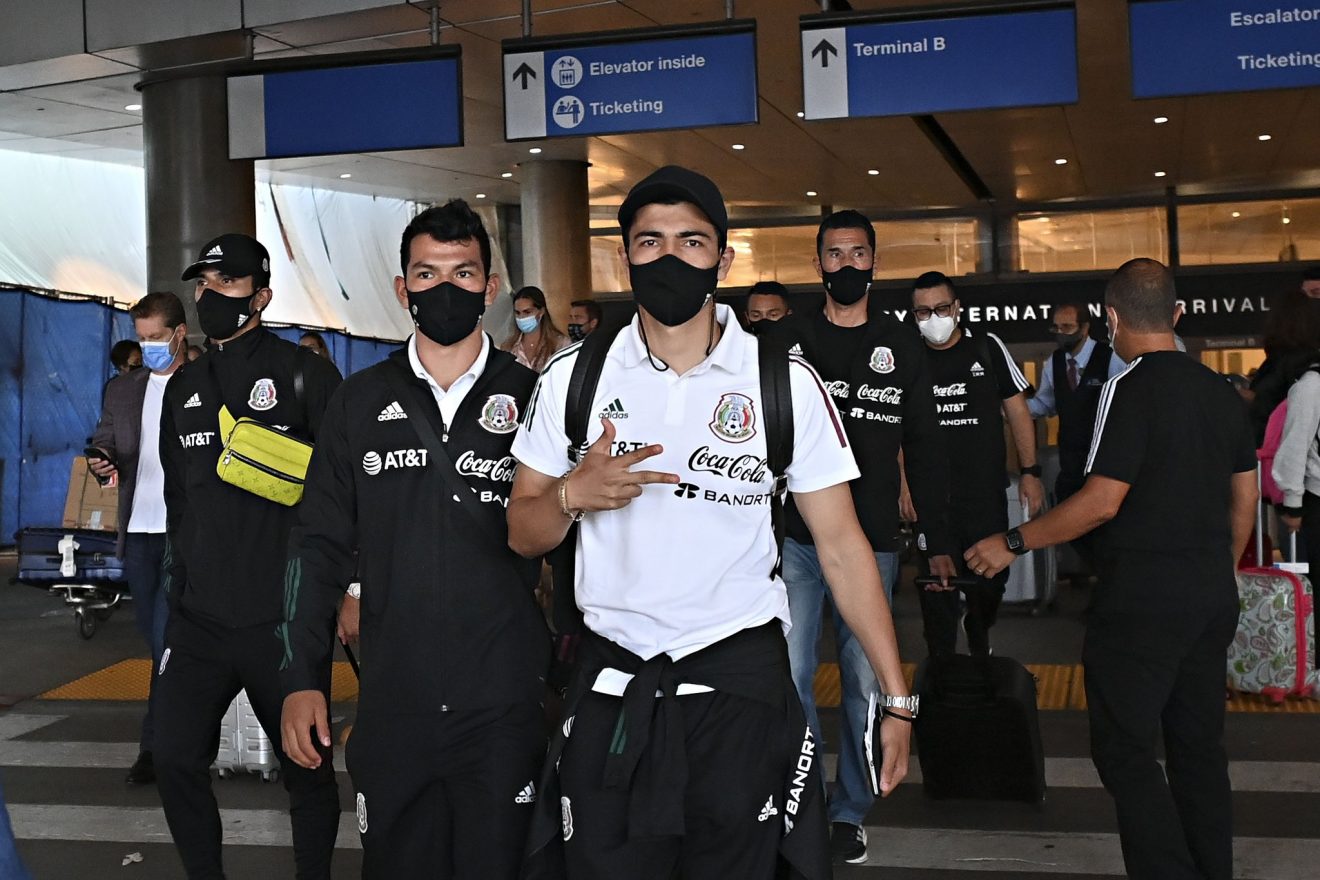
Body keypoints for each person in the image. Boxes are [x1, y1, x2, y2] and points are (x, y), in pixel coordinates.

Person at [508, 166, 913, 879]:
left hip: (739, 692)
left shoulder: (783, 382)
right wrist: (572, 495)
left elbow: (843, 548)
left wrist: (896, 696)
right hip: (614, 686)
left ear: (723, 260)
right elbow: (521, 531)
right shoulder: (574, 377)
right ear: (624, 257)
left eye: (691, 242)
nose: (669, 257)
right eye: (650, 241)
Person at [280, 200, 549, 879]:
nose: (445, 288)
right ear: (403, 289)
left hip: (503, 702)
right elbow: (317, 545)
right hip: (394, 699)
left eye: (464, 273)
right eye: (427, 274)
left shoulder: (537, 397)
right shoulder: (359, 401)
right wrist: (303, 680)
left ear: (490, 287)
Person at [966, 258, 1256, 880]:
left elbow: (1101, 502)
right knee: (1199, 750)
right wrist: (1217, 571)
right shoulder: (1221, 392)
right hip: (1210, 596)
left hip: (1142, 602)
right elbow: (1245, 497)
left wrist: (1013, 541)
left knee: (1124, 749)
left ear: (1112, 319)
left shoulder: (1125, 389)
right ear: (1177, 314)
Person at [156, 233, 343, 880]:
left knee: (307, 767)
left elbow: (346, 496)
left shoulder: (305, 375)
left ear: (261, 296)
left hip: (283, 622)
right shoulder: (184, 388)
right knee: (172, 757)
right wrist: (179, 590)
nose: (210, 294)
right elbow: (179, 499)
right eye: (204, 283)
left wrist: (347, 592)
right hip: (201, 621)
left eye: (227, 282)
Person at [772, 209, 953, 866]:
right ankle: (799, 801)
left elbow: (924, 446)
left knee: (862, 681)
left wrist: (935, 536)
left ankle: (848, 810)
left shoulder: (900, 344)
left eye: (857, 253)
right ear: (817, 263)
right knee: (790, 672)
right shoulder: (787, 339)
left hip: (872, 541)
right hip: (796, 538)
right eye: (834, 254)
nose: (846, 264)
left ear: (874, 261)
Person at [911, 271, 1043, 657]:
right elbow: (895, 428)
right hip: (931, 501)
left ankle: (979, 627)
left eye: (940, 308)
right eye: (923, 312)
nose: (933, 318)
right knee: (937, 593)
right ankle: (942, 669)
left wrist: (1030, 472)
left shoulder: (986, 347)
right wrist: (902, 486)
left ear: (957, 308)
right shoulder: (908, 356)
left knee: (990, 581)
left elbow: (1018, 412)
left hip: (984, 496)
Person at [88, 292, 190, 786]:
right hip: (140, 531)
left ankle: (156, 747)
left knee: (167, 638)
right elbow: (105, 439)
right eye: (141, 338)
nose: (147, 347)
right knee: (157, 639)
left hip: (185, 532)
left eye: (155, 337)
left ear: (179, 334)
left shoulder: (205, 383)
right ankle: (181, 731)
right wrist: (101, 458)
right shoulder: (123, 391)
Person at [1027, 300, 1126, 502]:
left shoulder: (1110, 358)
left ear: (1085, 328)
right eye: (1056, 327)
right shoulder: (1053, 362)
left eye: (1067, 327)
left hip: (1105, 466)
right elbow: (1045, 404)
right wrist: (1011, 409)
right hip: (1069, 466)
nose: (1060, 333)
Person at [503, 285, 568, 371]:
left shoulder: (560, 344)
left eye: (527, 312)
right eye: (517, 313)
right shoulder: (509, 347)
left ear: (541, 311)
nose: (521, 317)